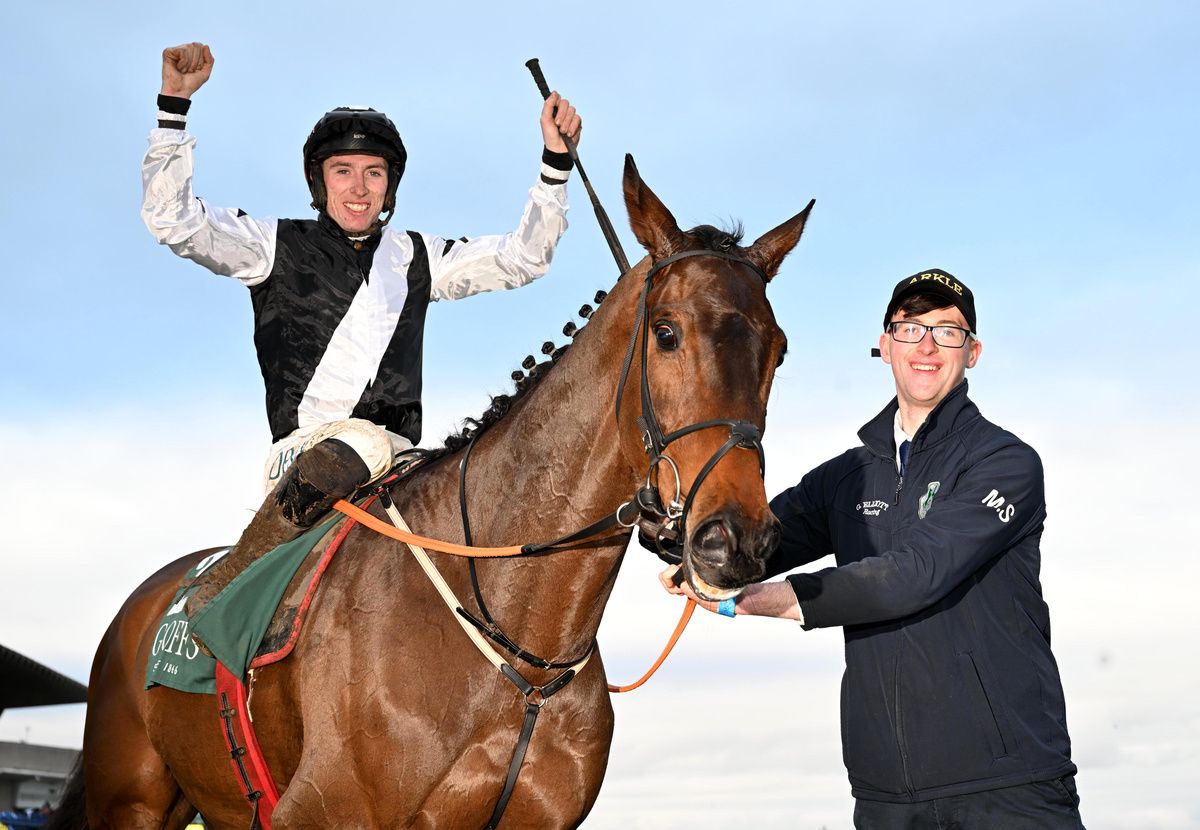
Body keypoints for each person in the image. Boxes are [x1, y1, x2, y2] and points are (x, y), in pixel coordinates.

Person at [142, 42, 582, 596]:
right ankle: (237, 576)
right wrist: (173, 110)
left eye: (373, 173)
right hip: (304, 458)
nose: (358, 187)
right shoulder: (271, 245)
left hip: (400, 467)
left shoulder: (418, 256)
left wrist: (555, 164)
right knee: (364, 442)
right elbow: (174, 222)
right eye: (343, 171)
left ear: (389, 185)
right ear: (319, 181)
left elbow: (524, 257)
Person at [662, 269, 1084, 828]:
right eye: (910, 329)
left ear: (973, 352)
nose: (927, 346)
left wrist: (758, 600)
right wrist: (679, 533)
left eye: (947, 331)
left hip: (1009, 788)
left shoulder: (1006, 464)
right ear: (886, 346)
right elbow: (750, 542)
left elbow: (916, 574)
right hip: (886, 797)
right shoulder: (847, 478)